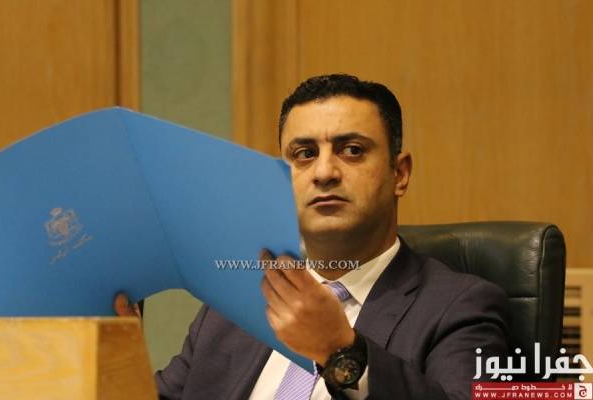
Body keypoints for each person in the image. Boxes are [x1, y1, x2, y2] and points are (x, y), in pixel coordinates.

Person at [115, 74, 510, 399]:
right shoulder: (232, 309)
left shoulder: (459, 308)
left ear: (400, 174)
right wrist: (116, 354)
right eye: (304, 154)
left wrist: (341, 351)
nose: (324, 173)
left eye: (351, 150)